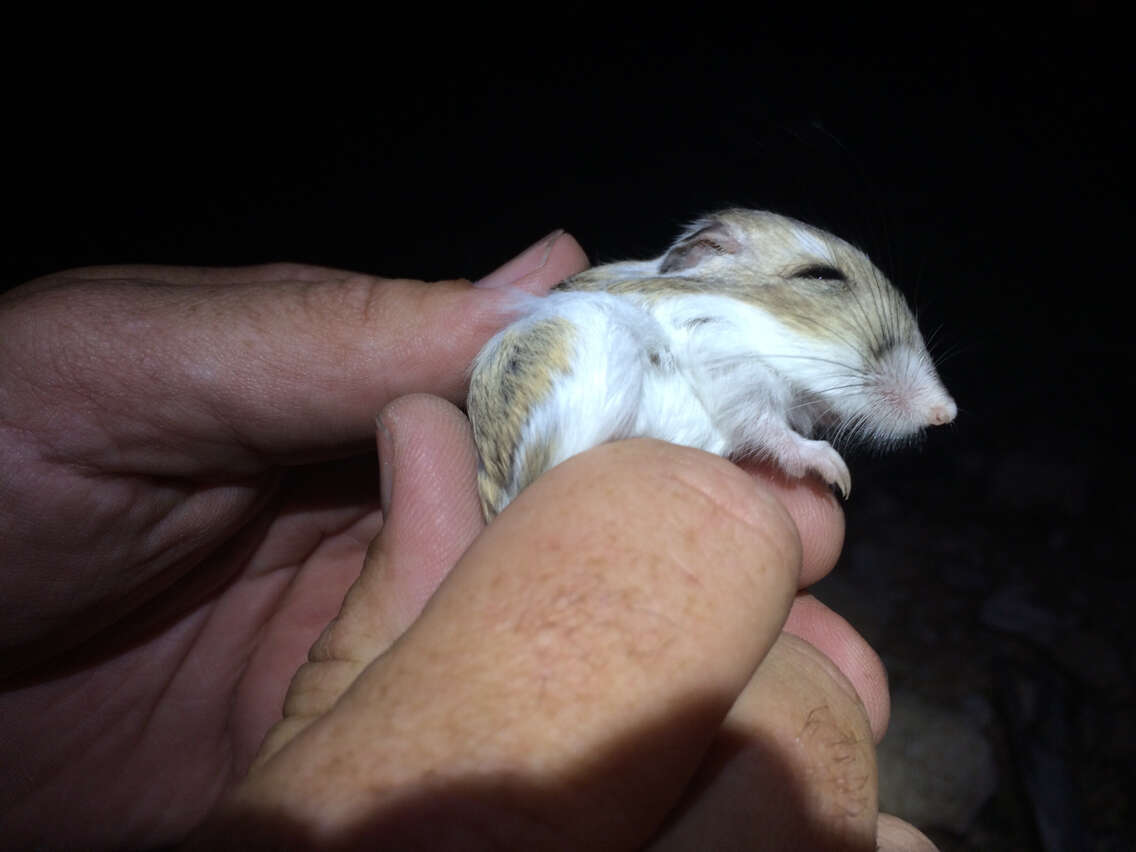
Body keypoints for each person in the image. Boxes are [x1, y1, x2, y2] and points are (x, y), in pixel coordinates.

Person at [0, 231, 936, 850]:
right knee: (594, 344)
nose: (925, 401)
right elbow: (722, 386)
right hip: (569, 424)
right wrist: (775, 437)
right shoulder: (686, 305)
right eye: (823, 281)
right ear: (710, 254)